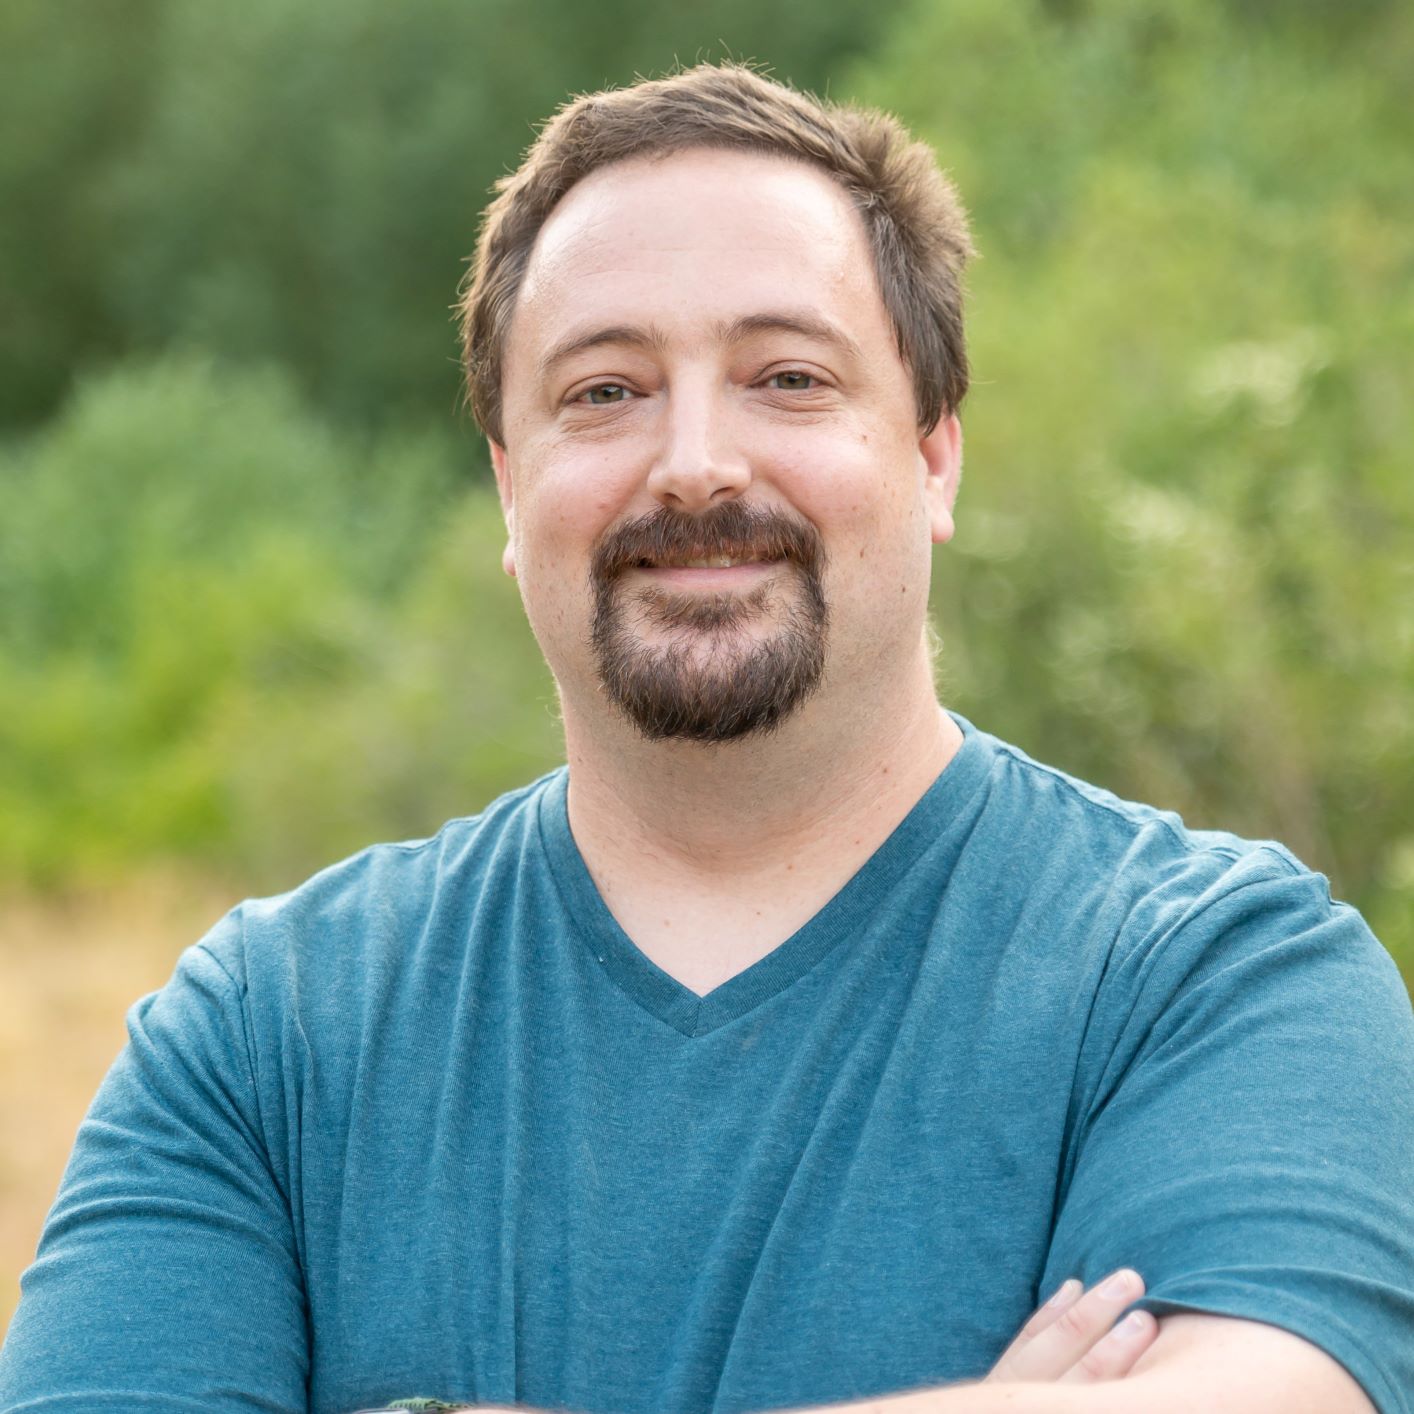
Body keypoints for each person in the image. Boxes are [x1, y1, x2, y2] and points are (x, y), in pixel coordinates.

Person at [2, 61, 1412, 1414]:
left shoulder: (1212, 975)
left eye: (787, 377)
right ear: (509, 483)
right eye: (603, 390)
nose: (692, 461)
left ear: (931, 454)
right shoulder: (264, 1036)